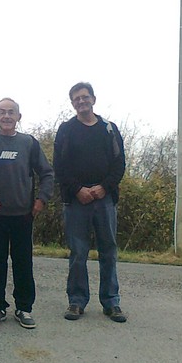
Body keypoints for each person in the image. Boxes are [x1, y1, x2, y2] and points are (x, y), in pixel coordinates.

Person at [0, 98, 53, 329]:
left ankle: (24, 308)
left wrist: (41, 200)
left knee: (23, 262)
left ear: (19, 117)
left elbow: (47, 173)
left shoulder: (29, 143)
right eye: (2, 112)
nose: (6, 116)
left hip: (23, 215)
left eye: (11, 112)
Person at [53, 82, 127, 323]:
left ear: (93, 99)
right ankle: (76, 301)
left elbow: (119, 165)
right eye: (76, 99)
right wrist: (78, 190)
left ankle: (111, 302)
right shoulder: (66, 130)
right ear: (72, 103)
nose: (81, 102)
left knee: (108, 251)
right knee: (78, 253)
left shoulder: (109, 129)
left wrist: (104, 187)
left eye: (85, 97)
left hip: (105, 200)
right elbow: (59, 167)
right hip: (76, 202)